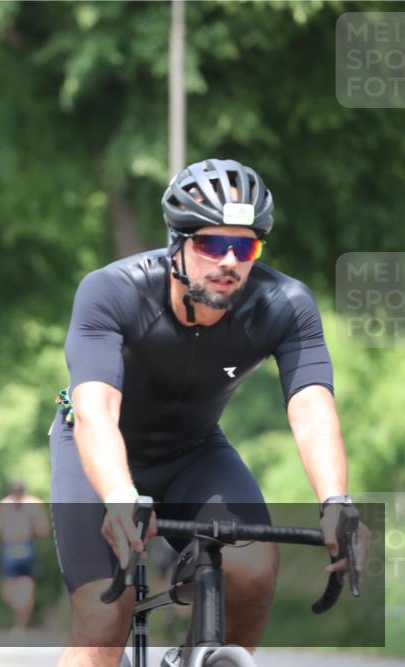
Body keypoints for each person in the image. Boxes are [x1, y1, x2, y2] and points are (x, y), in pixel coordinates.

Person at [49, 159, 371, 667]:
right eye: (210, 244)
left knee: (255, 565)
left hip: (194, 452)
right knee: (103, 618)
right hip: (99, 453)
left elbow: (310, 406)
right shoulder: (111, 291)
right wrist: (118, 496)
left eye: (244, 246)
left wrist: (337, 501)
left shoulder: (285, 304)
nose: (228, 261)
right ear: (177, 244)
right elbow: (96, 410)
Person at [0, 480, 50, 632]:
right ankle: (21, 619)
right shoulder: (32, 504)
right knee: (19, 589)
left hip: (15, 546)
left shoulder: (6, 505)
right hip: (20, 546)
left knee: (19, 587)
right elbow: (44, 530)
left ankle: (20, 624)